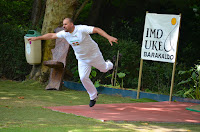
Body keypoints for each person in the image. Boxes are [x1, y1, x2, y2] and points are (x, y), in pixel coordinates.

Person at [28, 18, 118, 107]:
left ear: (71, 24)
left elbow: (97, 30)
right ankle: (93, 96)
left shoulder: (81, 29)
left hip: (93, 55)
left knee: (104, 69)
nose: (64, 26)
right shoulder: (65, 34)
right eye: (63, 24)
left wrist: (108, 37)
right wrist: (37, 38)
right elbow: (52, 36)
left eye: (65, 24)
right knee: (83, 77)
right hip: (82, 59)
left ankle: (110, 65)